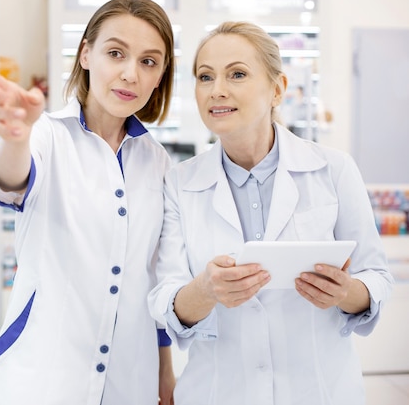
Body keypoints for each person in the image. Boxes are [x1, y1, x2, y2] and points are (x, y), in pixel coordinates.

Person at [147, 21, 394, 405]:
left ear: (277, 89)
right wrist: (205, 290)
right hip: (218, 392)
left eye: (238, 74)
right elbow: (167, 298)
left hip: (319, 391)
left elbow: (376, 275)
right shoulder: (179, 183)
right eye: (205, 76)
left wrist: (346, 293)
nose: (217, 90)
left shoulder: (333, 169)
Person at [0, 0, 177, 405]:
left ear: (160, 77)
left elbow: (152, 280)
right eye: (115, 53)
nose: (129, 74)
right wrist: (15, 138)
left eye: (148, 62)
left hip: (128, 383)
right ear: (86, 53)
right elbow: (9, 181)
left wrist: (165, 374)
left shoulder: (158, 162)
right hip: (41, 382)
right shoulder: (47, 135)